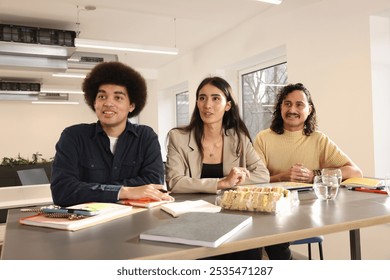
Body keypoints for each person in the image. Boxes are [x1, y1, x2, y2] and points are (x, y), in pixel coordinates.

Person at [253, 82, 363, 260]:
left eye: (299, 104)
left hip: (307, 213)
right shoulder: (263, 138)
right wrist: (283, 177)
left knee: (272, 242)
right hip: (272, 212)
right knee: (267, 241)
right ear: (280, 107)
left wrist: (315, 175)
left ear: (309, 109)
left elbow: (355, 172)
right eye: (287, 103)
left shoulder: (318, 139)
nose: (292, 109)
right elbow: (254, 180)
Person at [165, 76, 269, 260]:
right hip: (192, 218)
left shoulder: (239, 138)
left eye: (215, 98)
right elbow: (175, 182)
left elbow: (262, 174)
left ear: (228, 105)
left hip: (232, 214)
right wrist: (222, 183)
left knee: (250, 252)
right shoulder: (178, 137)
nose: (207, 105)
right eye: (202, 98)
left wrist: (235, 181)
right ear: (197, 102)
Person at [51, 61, 173, 207]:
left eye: (118, 97)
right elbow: (62, 191)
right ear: (94, 102)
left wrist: (93, 188)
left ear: (131, 106)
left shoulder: (145, 137)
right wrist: (124, 191)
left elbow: (154, 184)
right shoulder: (73, 136)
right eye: (102, 97)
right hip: (86, 223)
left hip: (135, 219)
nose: (108, 103)